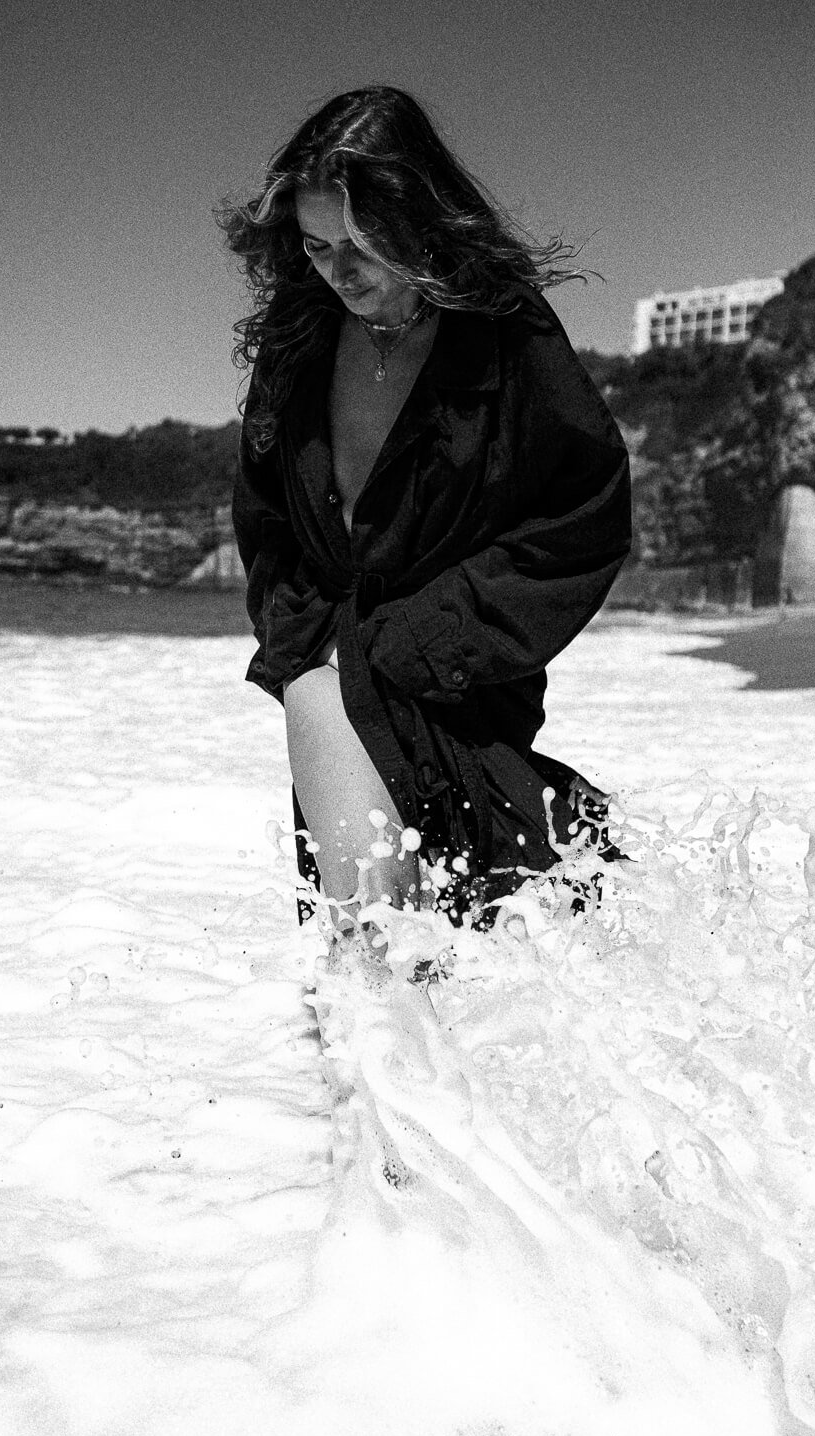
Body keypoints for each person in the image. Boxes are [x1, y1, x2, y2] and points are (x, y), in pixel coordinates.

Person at [219, 86, 631, 947]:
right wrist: (304, 645)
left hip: (460, 673)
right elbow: (264, 514)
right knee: (373, 934)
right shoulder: (300, 337)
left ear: (418, 217)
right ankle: (379, 1080)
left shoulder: (504, 333)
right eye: (316, 244)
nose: (339, 270)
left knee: (450, 936)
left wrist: (413, 645)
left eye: (361, 245)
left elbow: (582, 511)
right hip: (331, 665)